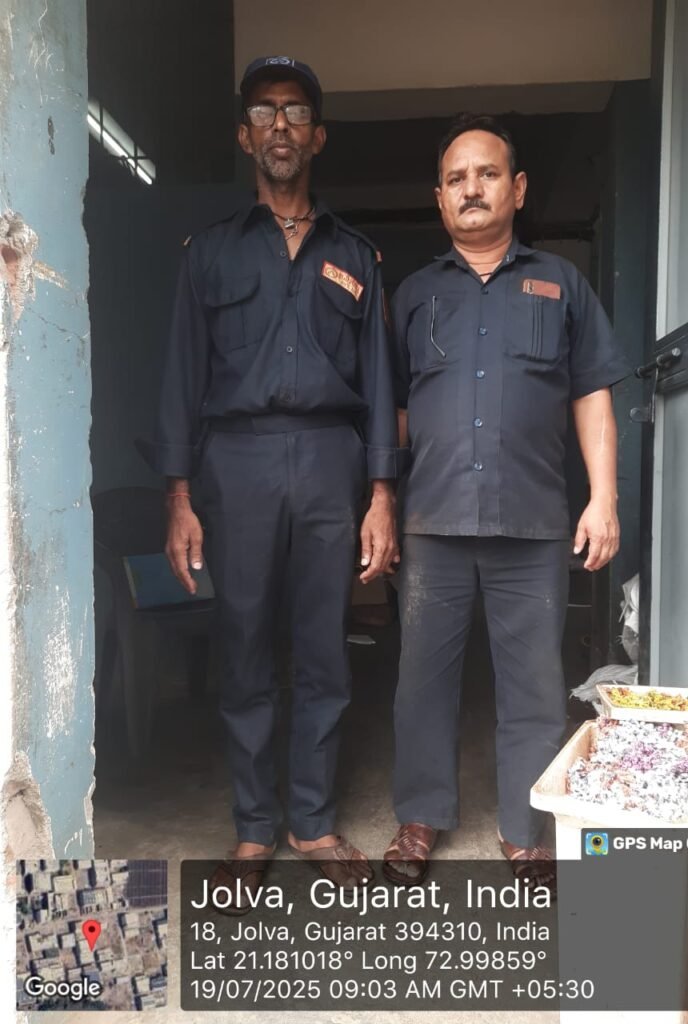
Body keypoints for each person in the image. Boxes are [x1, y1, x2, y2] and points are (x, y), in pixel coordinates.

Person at [141, 57, 399, 904]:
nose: (279, 126)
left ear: (317, 137)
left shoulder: (356, 254)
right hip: (237, 463)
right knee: (244, 646)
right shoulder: (210, 253)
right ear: (245, 136)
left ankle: (311, 821)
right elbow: (181, 377)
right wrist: (179, 497)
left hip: (329, 460)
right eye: (263, 112)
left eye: (294, 112)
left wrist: (382, 495)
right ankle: (254, 827)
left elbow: (380, 382)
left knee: (325, 649)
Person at [382, 114, 631, 890]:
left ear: (517, 189)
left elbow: (592, 395)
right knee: (422, 682)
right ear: (439, 197)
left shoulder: (561, 285)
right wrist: (379, 500)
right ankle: (420, 817)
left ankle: (526, 831)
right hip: (434, 522)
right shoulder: (414, 296)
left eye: (486, 174)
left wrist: (604, 497)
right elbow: (393, 413)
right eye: (456, 179)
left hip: (532, 522)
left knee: (533, 686)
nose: (472, 189)